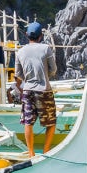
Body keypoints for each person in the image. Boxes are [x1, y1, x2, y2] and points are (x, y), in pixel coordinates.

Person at [15, 21, 58, 156]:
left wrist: (27, 80)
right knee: (51, 122)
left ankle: (31, 153)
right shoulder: (46, 49)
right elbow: (54, 70)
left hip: (27, 90)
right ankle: (46, 151)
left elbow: (18, 74)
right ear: (41, 36)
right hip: (44, 90)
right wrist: (45, 76)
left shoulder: (20, 51)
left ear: (27, 35)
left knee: (28, 122)